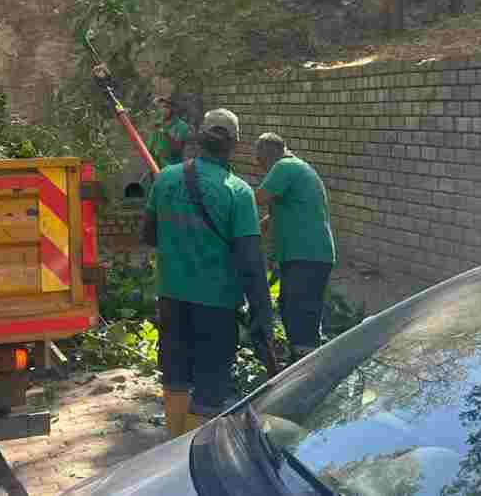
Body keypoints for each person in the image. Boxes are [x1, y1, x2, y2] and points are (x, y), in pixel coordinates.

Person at [142, 109, 274, 437]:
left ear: (199, 137)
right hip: (216, 303)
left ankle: (172, 443)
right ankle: (191, 454)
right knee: (210, 380)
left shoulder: (166, 178)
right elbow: (250, 261)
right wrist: (262, 312)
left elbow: (148, 235)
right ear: (235, 144)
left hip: (171, 297)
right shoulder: (238, 191)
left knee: (175, 373)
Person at [253, 132, 337, 364]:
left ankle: (306, 369)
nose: (260, 168)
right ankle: (305, 363)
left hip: (307, 255)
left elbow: (255, 199)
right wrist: (255, 231)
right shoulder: (297, 170)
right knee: (292, 308)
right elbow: (276, 213)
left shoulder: (285, 167)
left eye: (259, 162)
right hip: (308, 255)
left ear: (266, 156)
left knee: (299, 313)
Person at [147, 96, 190, 171]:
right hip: (155, 167)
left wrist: (165, 133)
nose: (163, 110)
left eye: (166, 107)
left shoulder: (181, 126)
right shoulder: (157, 124)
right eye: (160, 107)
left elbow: (177, 149)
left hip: (172, 169)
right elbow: (151, 146)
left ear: (173, 108)